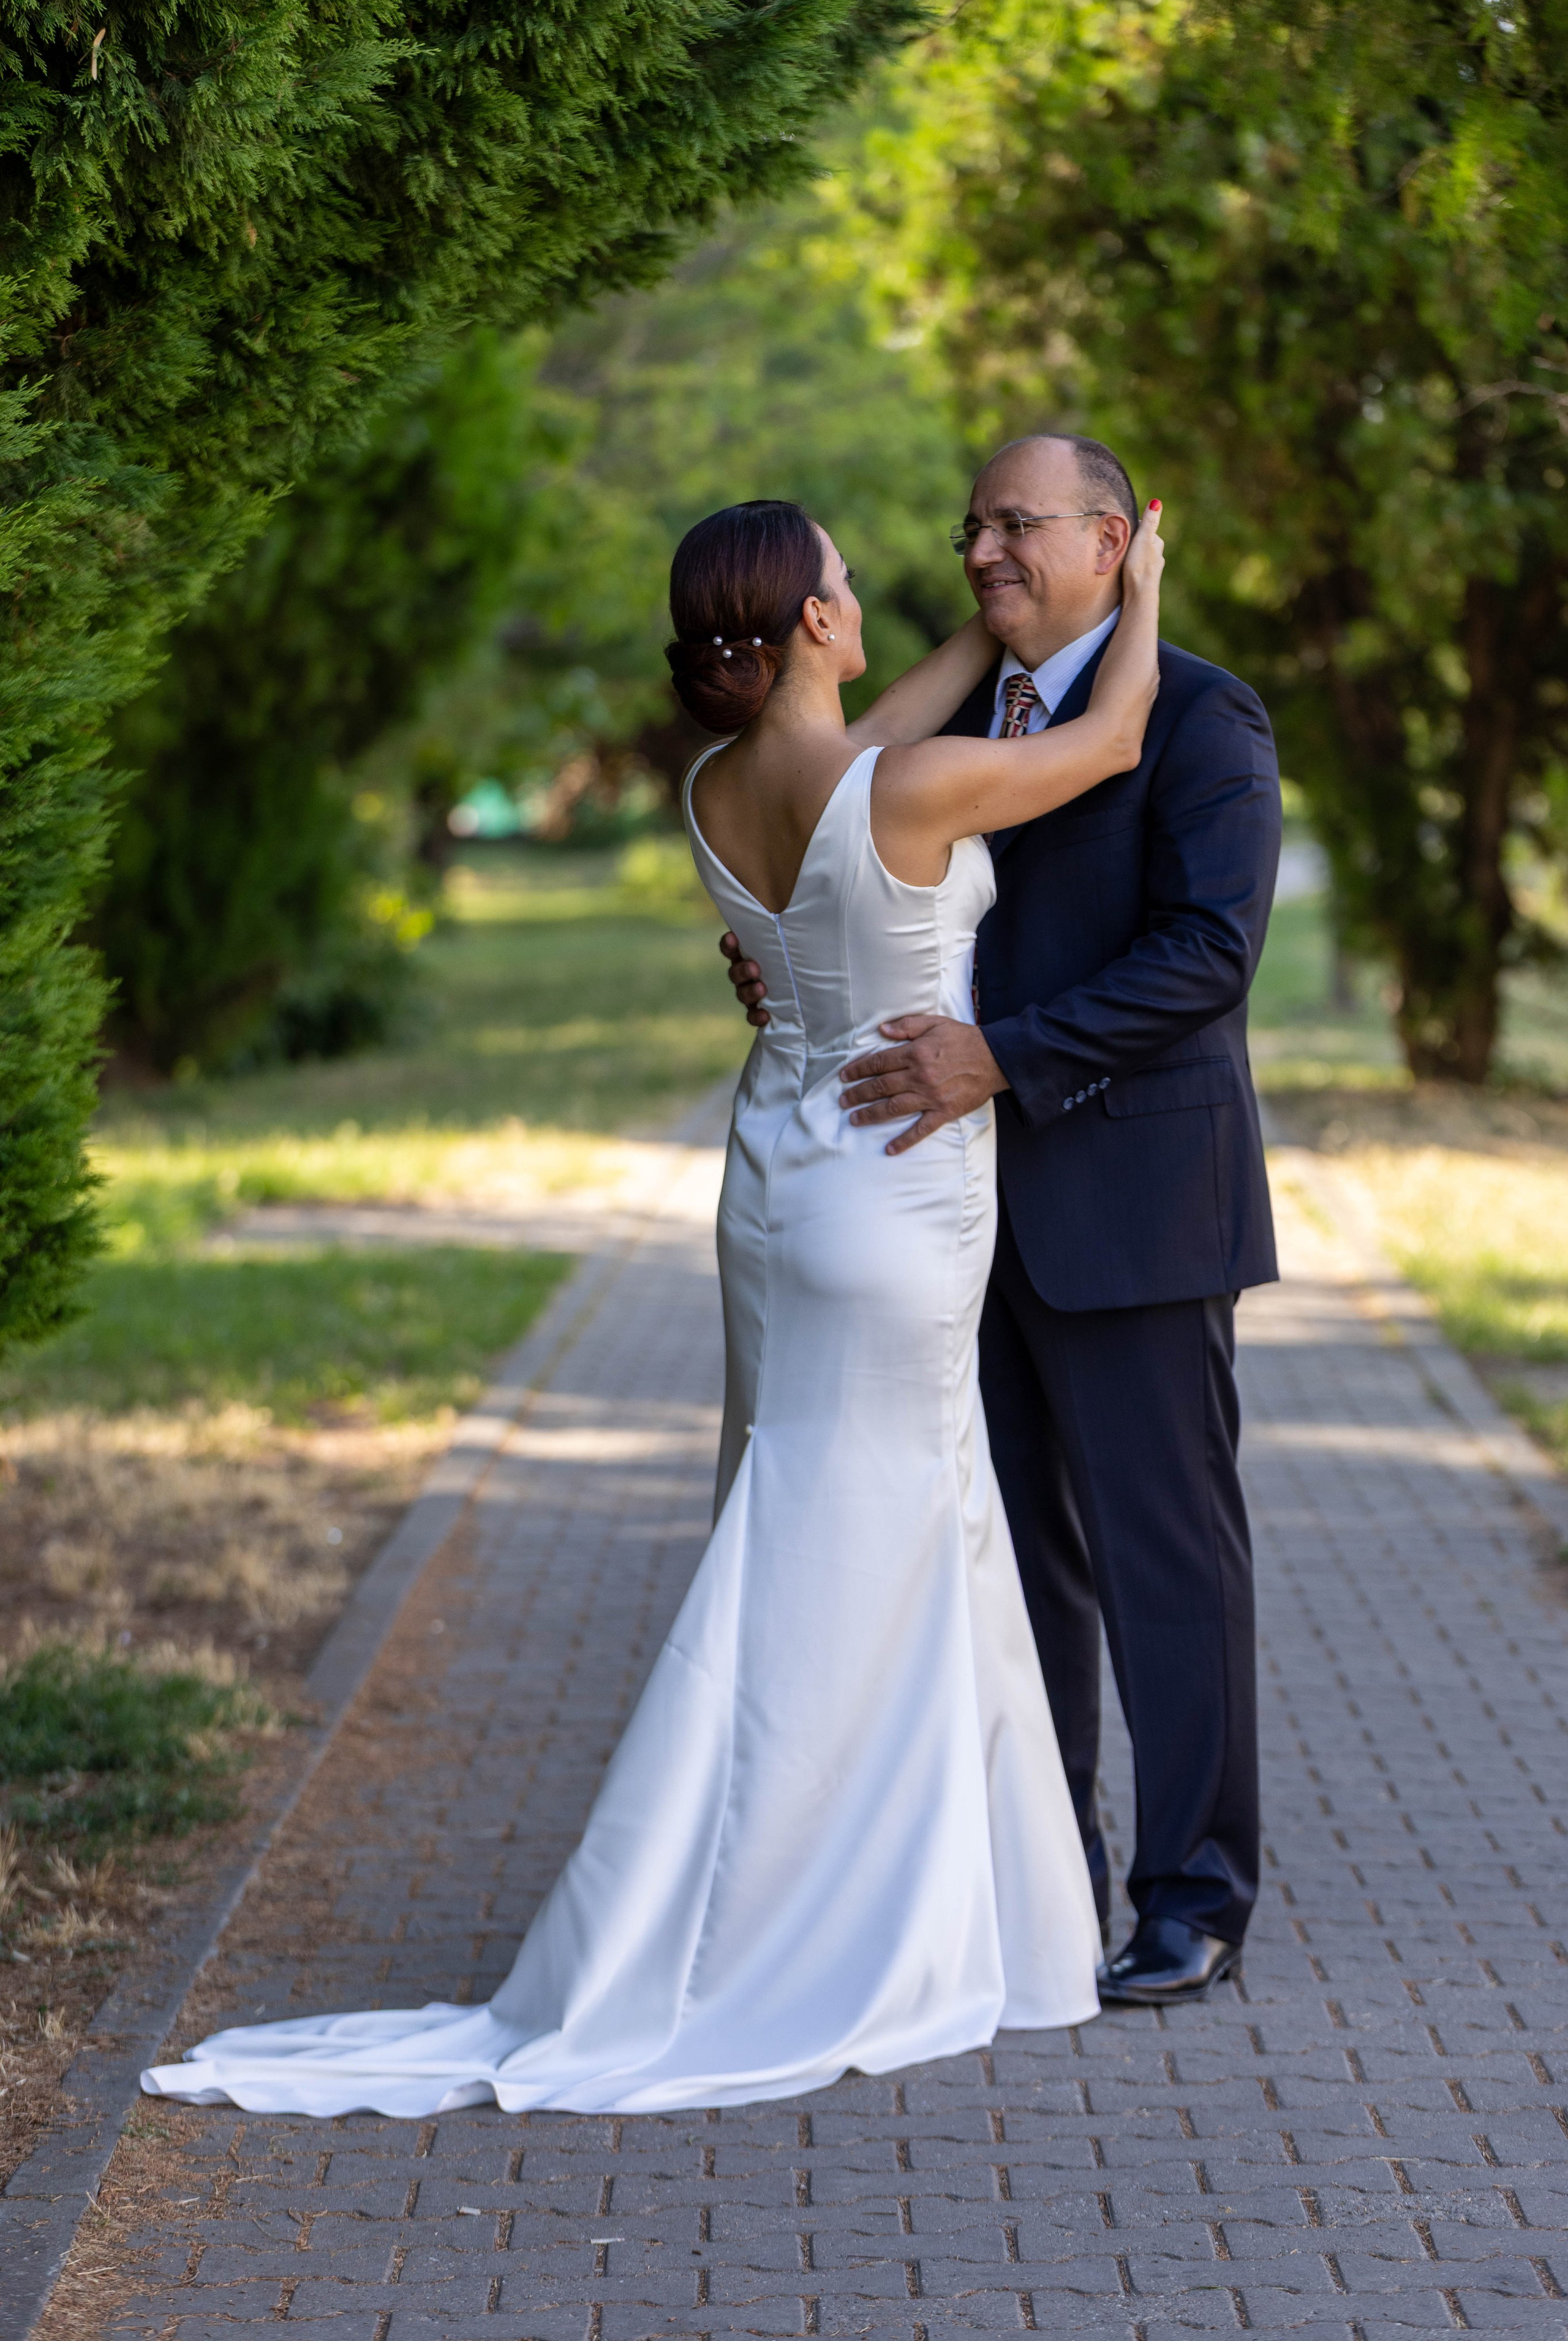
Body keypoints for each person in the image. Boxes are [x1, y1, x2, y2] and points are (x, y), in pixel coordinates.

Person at [141, 494, 1166, 2118]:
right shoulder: (903, 788)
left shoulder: (722, 784)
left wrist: (988, 624)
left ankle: (930, 1888)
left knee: (837, 1511)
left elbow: (873, 735)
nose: (866, 596)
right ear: (816, 621)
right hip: (892, 1191)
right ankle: (804, 1910)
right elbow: (1111, 741)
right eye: (846, 580)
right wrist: (1142, 586)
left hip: (774, 1177)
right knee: (867, 1532)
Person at [723, 437, 1281, 2007]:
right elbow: (852, 890)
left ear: (1111, 542)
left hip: (1130, 1204)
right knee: (1014, 1570)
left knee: (1166, 1562)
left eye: (1016, 523)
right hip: (943, 1218)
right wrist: (793, 957)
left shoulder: (1199, 716)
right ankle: (1044, 1884)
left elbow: (1207, 952)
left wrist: (1003, 1056)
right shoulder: (951, 724)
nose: (981, 548)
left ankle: (1192, 1896)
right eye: (970, 524)